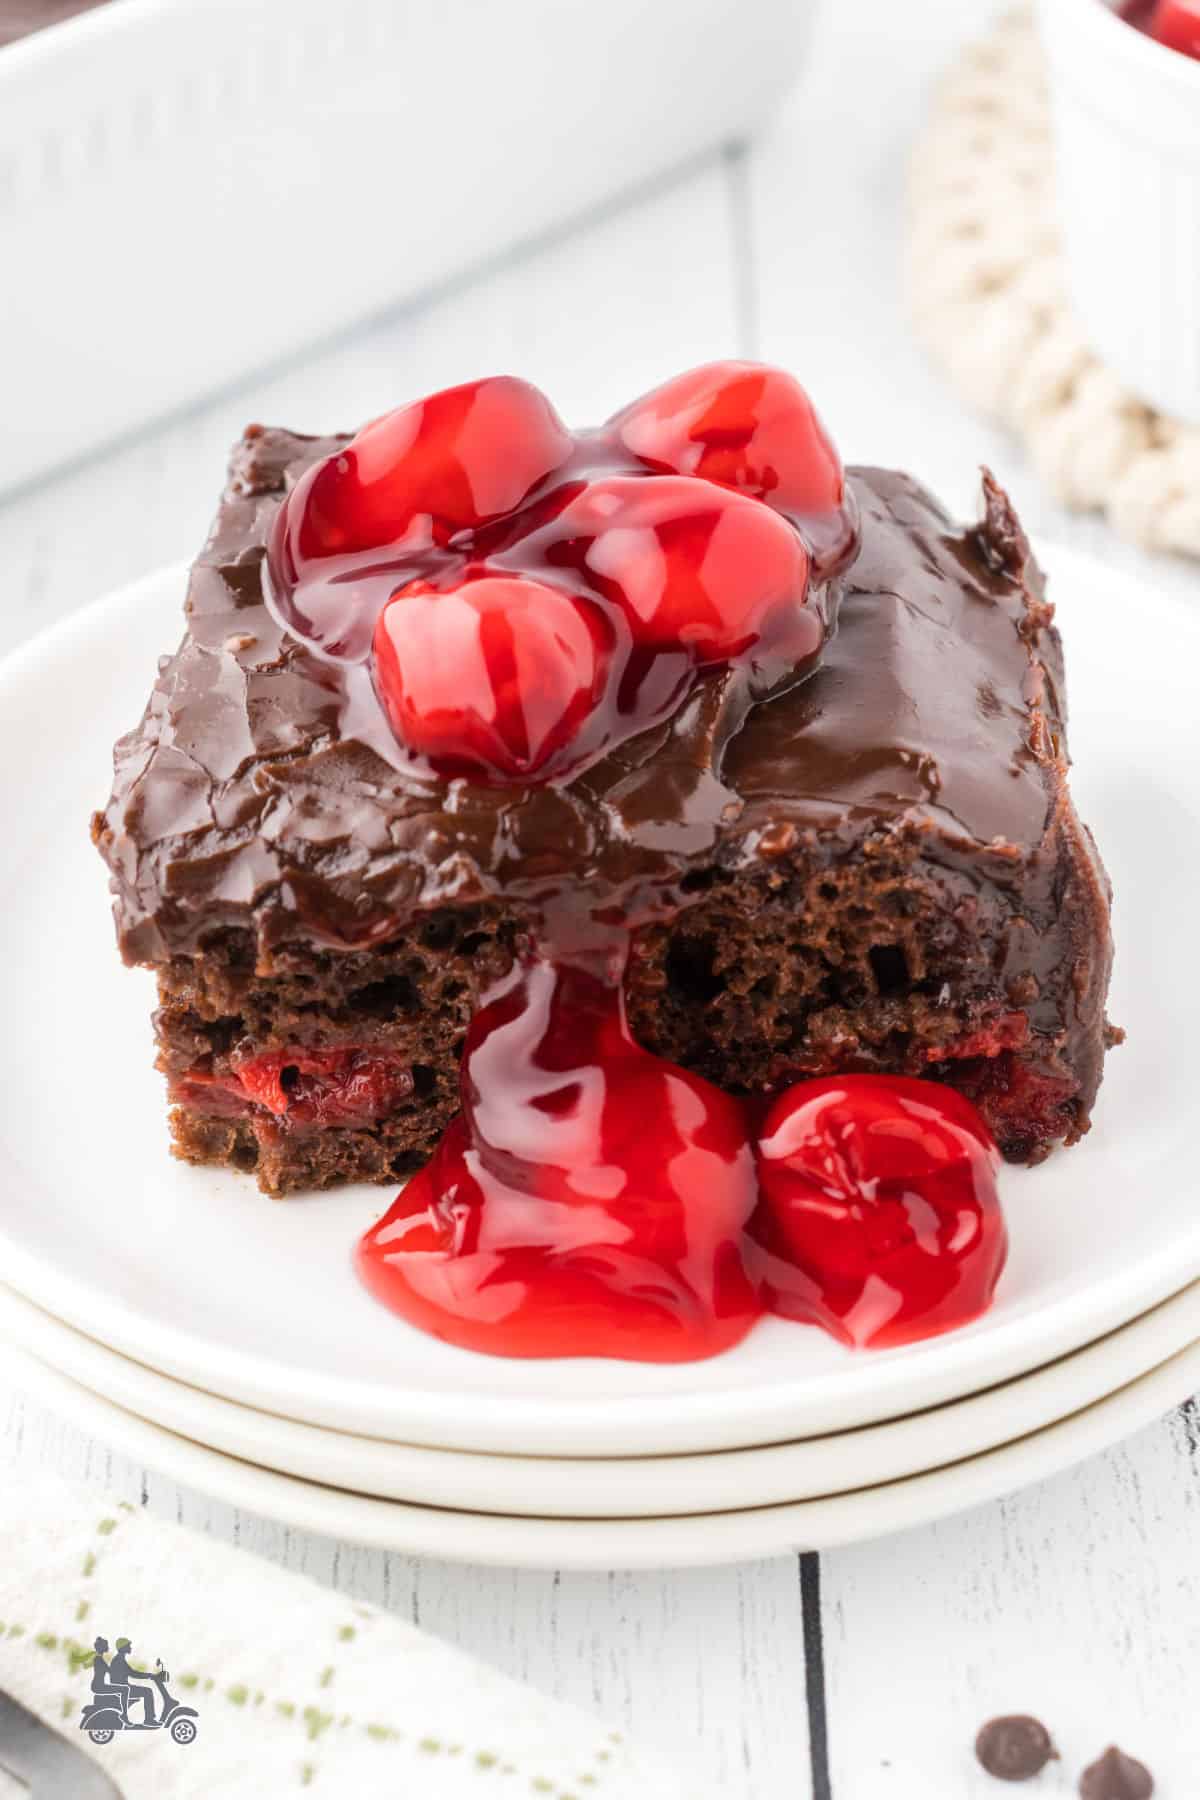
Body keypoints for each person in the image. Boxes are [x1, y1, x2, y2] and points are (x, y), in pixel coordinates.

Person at [109, 1637, 157, 1727]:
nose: (130, 1648)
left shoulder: (119, 1659)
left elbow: (132, 1673)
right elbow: (133, 1673)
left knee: (147, 1691)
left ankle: (149, 1719)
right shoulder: (119, 1660)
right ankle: (149, 1719)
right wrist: (150, 1676)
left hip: (123, 1687)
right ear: (122, 1648)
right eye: (128, 1646)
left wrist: (149, 1676)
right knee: (147, 1692)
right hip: (122, 1688)